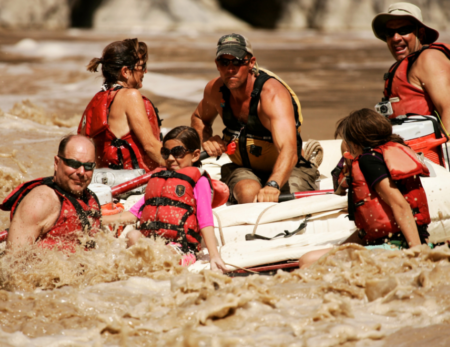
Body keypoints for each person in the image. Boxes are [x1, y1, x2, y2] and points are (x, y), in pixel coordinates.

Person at [191, 33, 319, 204]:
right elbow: (199, 117)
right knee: (248, 195)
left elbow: (288, 149)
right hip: (245, 168)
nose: (230, 69)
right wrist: (206, 140)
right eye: (224, 62)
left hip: (289, 168)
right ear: (217, 64)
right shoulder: (215, 90)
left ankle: (310, 158)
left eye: (237, 62)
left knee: (286, 202)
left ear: (251, 63)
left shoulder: (272, 95)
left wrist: (273, 184)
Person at [299, 109, 431, 268]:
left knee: (307, 261)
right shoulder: (390, 152)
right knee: (315, 257)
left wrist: (416, 254)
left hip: (395, 247)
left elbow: (399, 204)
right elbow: (372, 226)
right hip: (401, 241)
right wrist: (342, 248)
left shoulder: (369, 160)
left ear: (355, 142)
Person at [103, 126, 227, 273]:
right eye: (165, 153)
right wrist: (98, 218)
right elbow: (133, 214)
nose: (170, 158)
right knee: (133, 235)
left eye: (178, 153)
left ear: (195, 155)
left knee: (164, 255)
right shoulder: (160, 178)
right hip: (154, 240)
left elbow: (205, 219)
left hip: (181, 248)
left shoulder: (200, 181)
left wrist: (214, 256)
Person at [0, 135, 101, 251]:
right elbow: (13, 261)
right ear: (57, 163)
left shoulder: (85, 196)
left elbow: (87, 220)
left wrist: (126, 214)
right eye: (74, 164)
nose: (82, 172)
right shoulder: (40, 202)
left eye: (88, 166)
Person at [78, 38, 163, 173]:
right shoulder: (130, 96)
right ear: (125, 72)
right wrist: (180, 164)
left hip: (105, 181)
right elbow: (150, 146)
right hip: (133, 183)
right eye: (142, 66)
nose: (145, 71)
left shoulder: (95, 101)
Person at [372, 2, 450, 133]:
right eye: (390, 33)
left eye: (403, 31)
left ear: (421, 33)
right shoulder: (407, 65)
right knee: (349, 143)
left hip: (429, 151)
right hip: (408, 147)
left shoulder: (429, 59)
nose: (396, 38)